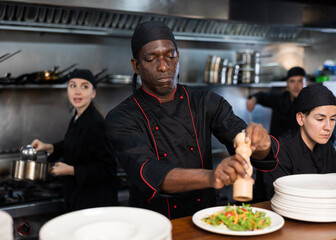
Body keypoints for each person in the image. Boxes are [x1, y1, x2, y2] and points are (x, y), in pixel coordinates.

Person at [105, 20, 280, 219]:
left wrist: (261, 144)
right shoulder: (122, 117)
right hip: (154, 222)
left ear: (178, 57)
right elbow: (148, 171)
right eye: (151, 59)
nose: (163, 66)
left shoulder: (205, 102)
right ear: (136, 65)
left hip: (205, 218)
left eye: (170, 56)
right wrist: (211, 176)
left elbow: (242, 139)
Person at [31, 69, 118, 212]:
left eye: (84, 86)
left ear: (93, 93)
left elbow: (107, 169)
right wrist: (47, 147)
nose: (77, 92)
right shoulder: (78, 117)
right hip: (80, 197)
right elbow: (74, 144)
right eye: (72, 86)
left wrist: (71, 170)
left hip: (95, 203)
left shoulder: (96, 124)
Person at [256, 84, 336, 200]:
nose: (328, 127)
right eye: (320, 119)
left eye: (333, 119)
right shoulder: (279, 152)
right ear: (300, 118)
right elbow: (279, 199)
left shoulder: (327, 147)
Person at [246, 66, 306, 139]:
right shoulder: (280, 98)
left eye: (300, 81)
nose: (296, 86)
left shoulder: (310, 103)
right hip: (276, 146)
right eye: (292, 81)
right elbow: (262, 96)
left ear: (306, 83)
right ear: (287, 83)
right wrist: (253, 100)